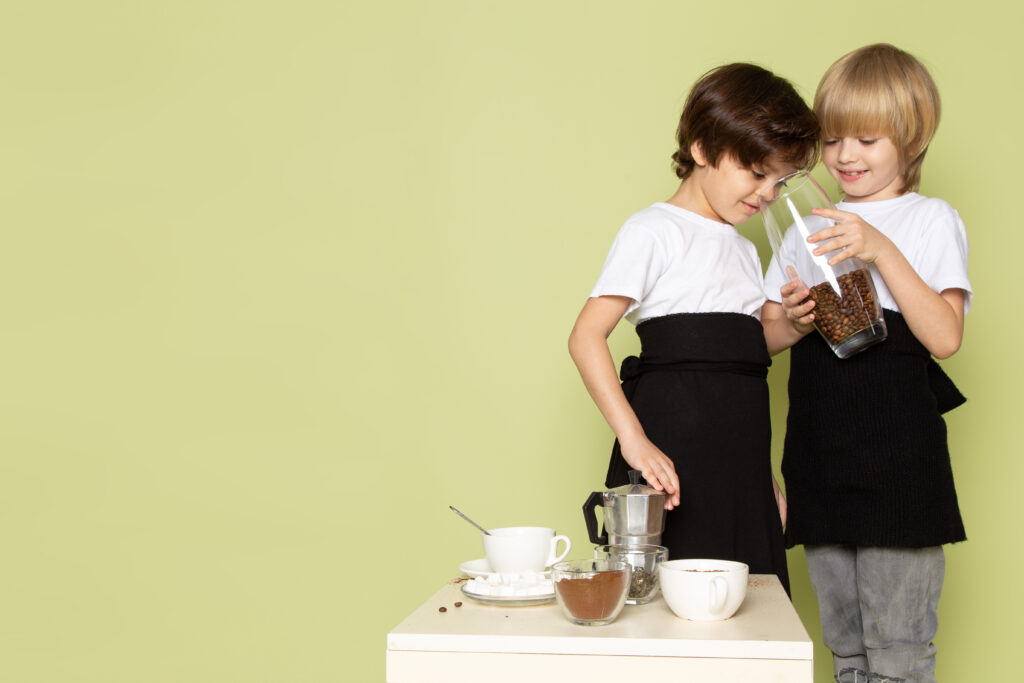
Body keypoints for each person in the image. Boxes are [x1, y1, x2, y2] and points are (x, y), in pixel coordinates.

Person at [762, 44, 971, 683]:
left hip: (899, 463)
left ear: (911, 138)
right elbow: (766, 336)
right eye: (831, 140)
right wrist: (791, 319)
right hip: (822, 458)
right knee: (845, 650)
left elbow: (945, 337)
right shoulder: (806, 223)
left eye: (866, 139)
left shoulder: (931, 220)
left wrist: (880, 250)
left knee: (899, 653)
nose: (846, 156)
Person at [569, 63, 819, 594]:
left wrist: (792, 328)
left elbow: (745, 351)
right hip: (675, 456)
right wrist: (633, 441)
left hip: (743, 467)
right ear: (703, 149)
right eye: (757, 174)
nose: (769, 193)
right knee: (676, 609)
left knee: (756, 610)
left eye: (779, 181)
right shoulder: (653, 230)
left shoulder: (747, 249)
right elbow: (585, 337)